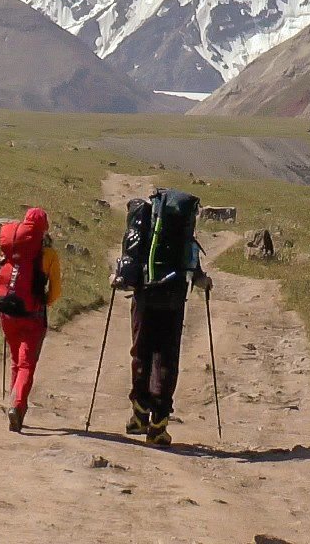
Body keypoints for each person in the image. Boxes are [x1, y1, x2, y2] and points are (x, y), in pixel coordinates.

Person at [118, 190, 209, 447]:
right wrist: (203, 280)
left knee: (141, 352)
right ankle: (158, 425)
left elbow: (129, 265)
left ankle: (138, 415)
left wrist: (121, 279)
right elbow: (193, 267)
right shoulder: (183, 234)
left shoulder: (144, 225)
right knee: (166, 358)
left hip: (145, 296)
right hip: (174, 298)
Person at [0, 207, 62, 432]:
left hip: (7, 313)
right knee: (27, 363)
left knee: (15, 360)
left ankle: (14, 402)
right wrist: (44, 302)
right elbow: (55, 291)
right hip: (33, 315)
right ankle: (18, 406)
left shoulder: (10, 249)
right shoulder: (49, 255)